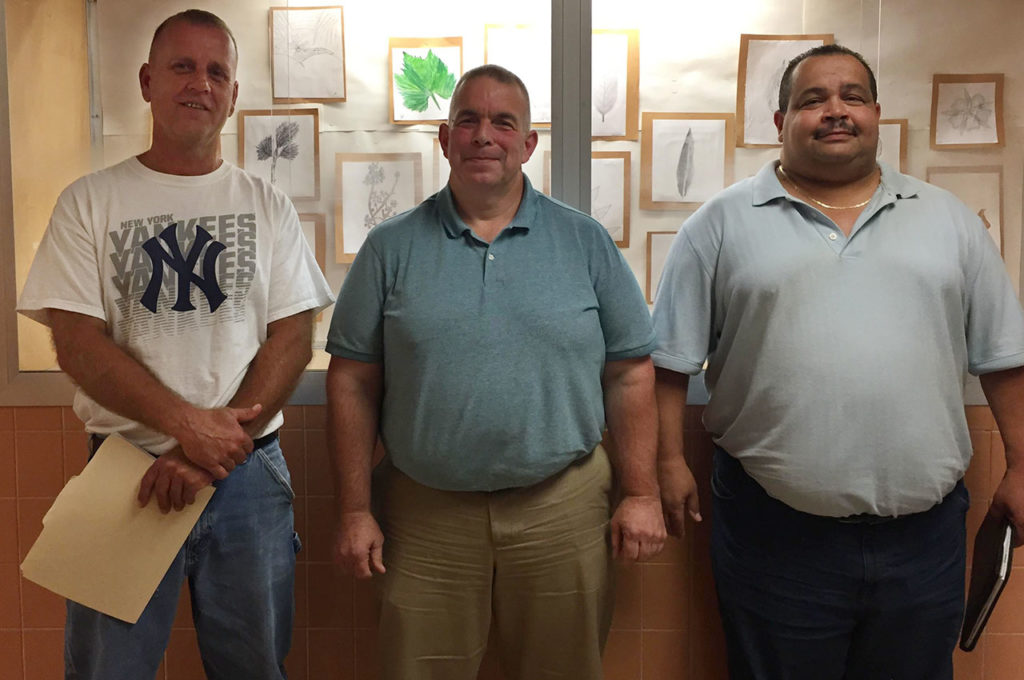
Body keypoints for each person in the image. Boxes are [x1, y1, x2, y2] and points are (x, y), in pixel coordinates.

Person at [653, 44, 1024, 680]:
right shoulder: (718, 225)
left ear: (876, 112)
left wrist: (1023, 466)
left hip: (924, 540)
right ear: (780, 121)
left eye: (852, 97)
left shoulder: (950, 222)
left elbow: (1004, 360)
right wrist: (664, 461)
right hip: (773, 535)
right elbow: (668, 364)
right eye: (812, 100)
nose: (835, 111)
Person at [17, 10, 333, 680]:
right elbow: (75, 341)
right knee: (108, 672)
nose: (201, 83)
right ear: (145, 81)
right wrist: (188, 428)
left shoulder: (267, 205)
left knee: (254, 669)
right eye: (183, 66)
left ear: (234, 93)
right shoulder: (90, 202)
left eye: (217, 70)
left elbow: (293, 336)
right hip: (125, 472)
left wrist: (208, 456)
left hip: (248, 476)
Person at [325, 64, 665, 680]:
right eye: (468, 121)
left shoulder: (585, 243)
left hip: (563, 507)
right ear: (445, 138)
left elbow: (630, 373)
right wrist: (354, 509)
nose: (484, 135)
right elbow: (351, 380)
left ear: (528, 144)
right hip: (425, 515)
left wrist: (641, 493)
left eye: (503, 122)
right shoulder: (389, 248)